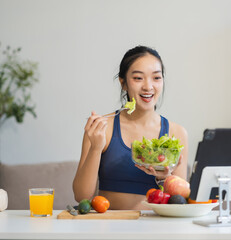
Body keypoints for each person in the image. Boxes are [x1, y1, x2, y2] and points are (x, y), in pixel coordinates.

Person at [73, 46, 188, 210]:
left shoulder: (176, 133)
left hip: (157, 229)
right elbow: (81, 196)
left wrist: (164, 178)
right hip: (109, 227)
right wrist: (96, 148)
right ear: (123, 83)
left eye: (156, 77)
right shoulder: (102, 128)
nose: (148, 87)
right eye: (138, 78)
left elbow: (180, 202)